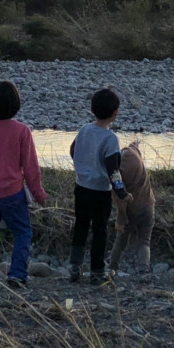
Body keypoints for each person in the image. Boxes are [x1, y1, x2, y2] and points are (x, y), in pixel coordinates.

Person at [0, 80, 47, 290]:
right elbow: (31, 167)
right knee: (23, 231)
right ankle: (17, 274)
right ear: (16, 104)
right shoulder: (22, 131)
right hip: (12, 192)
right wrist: (39, 193)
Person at [69, 88, 132, 285]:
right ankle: (97, 271)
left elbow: (73, 151)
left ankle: (75, 268)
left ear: (92, 109)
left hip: (81, 187)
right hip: (100, 193)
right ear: (115, 113)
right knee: (99, 231)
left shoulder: (84, 130)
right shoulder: (110, 139)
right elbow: (113, 170)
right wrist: (122, 193)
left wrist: (83, 166)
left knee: (80, 227)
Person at [109, 141, 155, 278]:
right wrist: (134, 144)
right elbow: (134, 148)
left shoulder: (119, 174)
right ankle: (144, 270)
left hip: (131, 210)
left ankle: (112, 267)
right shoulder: (134, 155)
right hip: (148, 205)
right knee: (145, 241)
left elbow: (121, 200)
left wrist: (121, 220)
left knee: (121, 239)